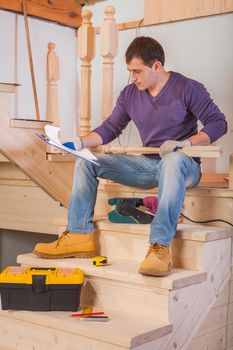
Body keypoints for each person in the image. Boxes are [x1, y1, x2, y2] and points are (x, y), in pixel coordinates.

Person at [33, 36, 227, 277]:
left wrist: (184, 143)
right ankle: (78, 235)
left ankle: (159, 247)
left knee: (173, 160)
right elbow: (110, 128)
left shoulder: (188, 88)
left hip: (183, 165)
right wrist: (80, 142)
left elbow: (218, 123)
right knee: (86, 160)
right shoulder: (130, 94)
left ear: (157, 66)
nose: (133, 78)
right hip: (147, 165)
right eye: (130, 72)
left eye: (137, 71)